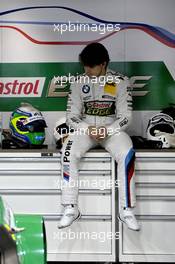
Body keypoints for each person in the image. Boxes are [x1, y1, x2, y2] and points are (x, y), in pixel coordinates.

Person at [58, 42, 140, 231]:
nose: (87, 70)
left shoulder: (121, 81)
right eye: (84, 66)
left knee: (128, 154)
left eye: (91, 66)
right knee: (67, 151)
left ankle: (126, 209)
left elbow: (126, 117)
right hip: (86, 131)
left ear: (103, 63)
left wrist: (108, 130)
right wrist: (88, 128)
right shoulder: (79, 81)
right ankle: (71, 207)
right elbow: (71, 116)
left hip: (112, 131)